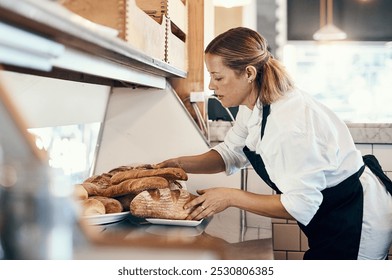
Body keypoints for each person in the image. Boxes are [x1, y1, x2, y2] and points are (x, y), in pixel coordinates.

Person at [157, 27, 392, 260]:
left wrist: (230, 197)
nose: (211, 85)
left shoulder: (287, 123)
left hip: (357, 219)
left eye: (218, 77)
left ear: (249, 73)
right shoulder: (253, 106)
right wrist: (175, 165)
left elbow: (300, 204)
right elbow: (230, 153)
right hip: (333, 215)